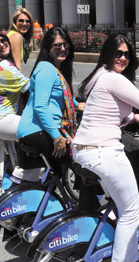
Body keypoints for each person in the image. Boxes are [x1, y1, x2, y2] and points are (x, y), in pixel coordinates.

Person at [73, 35, 139, 262]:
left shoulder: (98, 76)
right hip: (103, 151)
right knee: (131, 211)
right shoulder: (114, 78)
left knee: (118, 202)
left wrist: (131, 119)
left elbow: (104, 111)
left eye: (127, 54)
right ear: (107, 54)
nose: (123, 58)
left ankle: (108, 244)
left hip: (82, 149)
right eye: (118, 53)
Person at [16, 27, 97, 209]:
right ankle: (89, 213)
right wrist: (57, 137)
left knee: (58, 174)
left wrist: (78, 106)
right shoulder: (46, 69)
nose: (62, 49)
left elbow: (58, 98)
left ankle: (37, 210)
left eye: (65, 44)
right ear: (47, 48)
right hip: (39, 130)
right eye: (57, 45)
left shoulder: (54, 69)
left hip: (39, 129)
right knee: (85, 163)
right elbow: (41, 106)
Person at [7, 8, 34, 72]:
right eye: (21, 20)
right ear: (15, 21)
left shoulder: (12, 34)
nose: (24, 23)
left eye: (28, 21)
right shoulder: (16, 36)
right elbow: (17, 67)